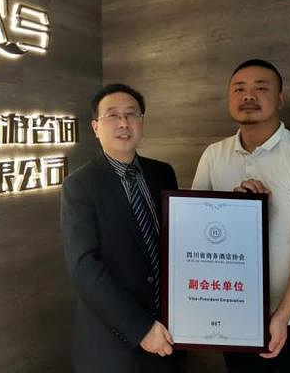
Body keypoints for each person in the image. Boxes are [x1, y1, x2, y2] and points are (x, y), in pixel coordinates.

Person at [192, 59, 290, 372]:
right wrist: (236, 211)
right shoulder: (213, 156)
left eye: (261, 88)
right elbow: (198, 232)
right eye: (239, 89)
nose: (248, 95)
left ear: (280, 99)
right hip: (237, 317)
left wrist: (282, 316)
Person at [60, 84, 186, 372]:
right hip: (113, 343)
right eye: (113, 115)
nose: (123, 123)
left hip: (169, 333)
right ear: (96, 127)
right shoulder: (80, 185)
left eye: (131, 114)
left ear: (142, 122)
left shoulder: (163, 173)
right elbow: (84, 268)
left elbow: (176, 242)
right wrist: (141, 328)